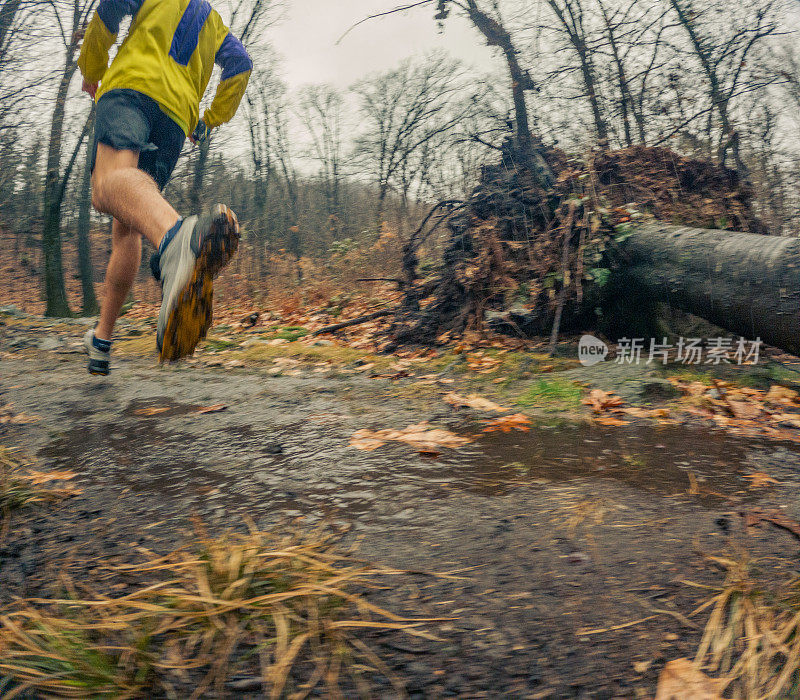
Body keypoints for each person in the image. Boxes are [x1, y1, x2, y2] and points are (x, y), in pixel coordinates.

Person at [77, 0, 252, 375]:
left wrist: (92, 69)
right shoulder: (215, 23)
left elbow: (109, 10)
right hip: (175, 117)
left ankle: (178, 238)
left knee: (107, 187)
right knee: (129, 222)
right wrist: (207, 122)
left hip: (131, 90)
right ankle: (102, 339)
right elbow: (240, 65)